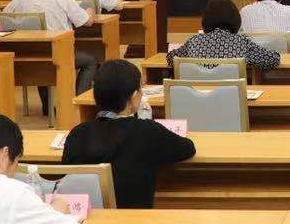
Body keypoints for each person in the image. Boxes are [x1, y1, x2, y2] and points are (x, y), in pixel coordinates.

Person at [61, 60, 195, 209]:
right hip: (136, 220)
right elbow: (188, 148)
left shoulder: (77, 133)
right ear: (134, 97)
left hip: (87, 218)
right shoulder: (147, 131)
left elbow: (66, 176)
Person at [5, 0, 101, 103]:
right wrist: (89, 11)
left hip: (28, 56)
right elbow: (87, 22)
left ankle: (47, 105)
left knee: (40, 52)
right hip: (59, 55)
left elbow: (4, 18)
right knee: (91, 61)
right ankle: (79, 103)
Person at [172, 0, 283, 70]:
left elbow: (171, 58)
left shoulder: (194, 41)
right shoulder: (241, 42)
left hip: (195, 96)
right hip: (232, 96)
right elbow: (272, 59)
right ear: (235, 19)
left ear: (205, 19)